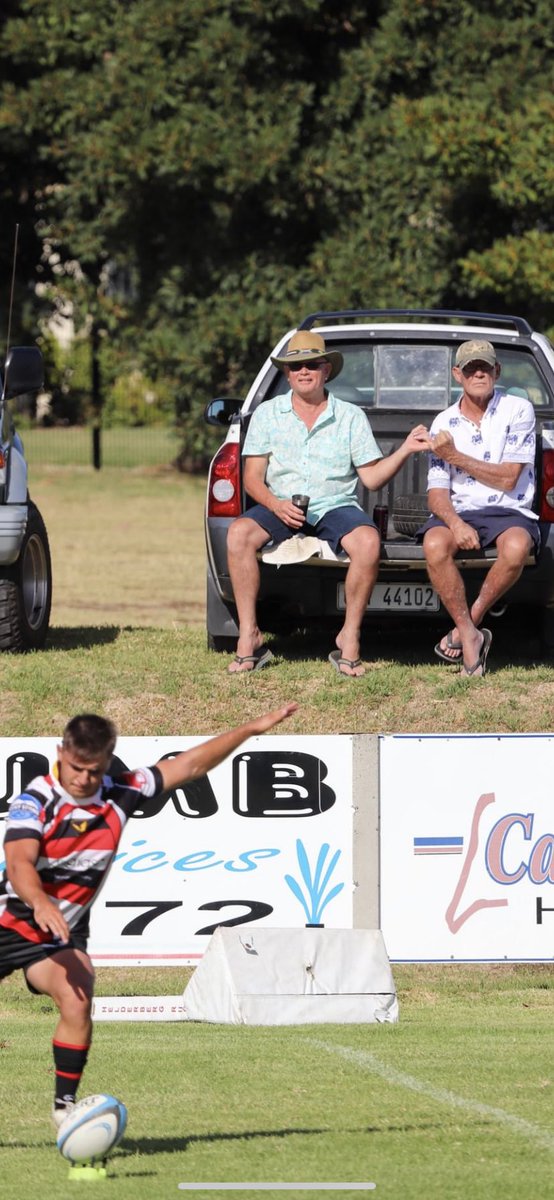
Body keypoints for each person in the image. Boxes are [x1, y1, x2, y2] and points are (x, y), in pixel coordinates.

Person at [0, 703, 297, 1127]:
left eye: (94, 770)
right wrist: (42, 902)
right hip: (11, 921)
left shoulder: (122, 789)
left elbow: (191, 764)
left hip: (57, 933)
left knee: (78, 993)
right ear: (60, 753)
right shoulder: (35, 801)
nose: (84, 779)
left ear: (109, 761)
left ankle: (65, 1109)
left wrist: (250, 728)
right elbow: (19, 865)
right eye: (77, 768)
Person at [227, 330, 429, 677]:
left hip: (335, 505)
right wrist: (276, 506)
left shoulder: (350, 416)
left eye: (312, 364)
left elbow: (372, 479)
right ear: (287, 374)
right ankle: (250, 636)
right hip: (281, 503)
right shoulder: (266, 413)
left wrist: (407, 449)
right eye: (295, 366)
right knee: (238, 534)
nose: (303, 371)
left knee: (367, 543)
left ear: (326, 371)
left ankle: (349, 638)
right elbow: (251, 480)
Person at [419, 338, 540, 677]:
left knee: (517, 547)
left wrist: (454, 456)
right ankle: (471, 638)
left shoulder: (518, 409)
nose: (478, 374)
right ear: (458, 374)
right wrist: (456, 524)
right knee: (434, 544)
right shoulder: (442, 422)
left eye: (485, 367)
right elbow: (437, 494)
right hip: (461, 511)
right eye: (471, 368)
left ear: (496, 371)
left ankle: (467, 626)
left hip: (508, 511)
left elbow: (508, 479)